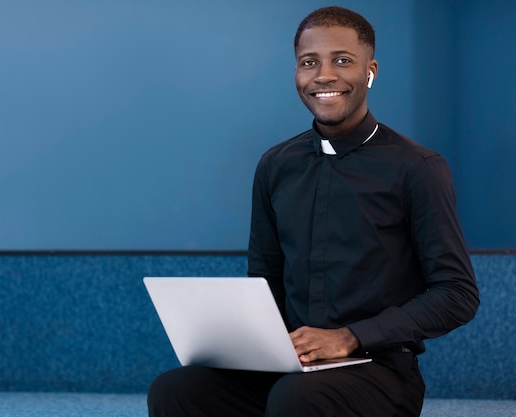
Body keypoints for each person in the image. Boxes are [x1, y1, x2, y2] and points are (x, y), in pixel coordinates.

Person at [147, 6, 479, 417]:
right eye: (309, 62)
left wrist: (350, 336)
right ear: (296, 74)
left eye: (342, 60)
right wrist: (239, 339)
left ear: (370, 70)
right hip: (291, 365)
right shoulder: (275, 165)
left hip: (379, 371)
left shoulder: (417, 168)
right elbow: (265, 280)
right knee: (177, 389)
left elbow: (458, 295)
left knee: (296, 399)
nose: (323, 75)